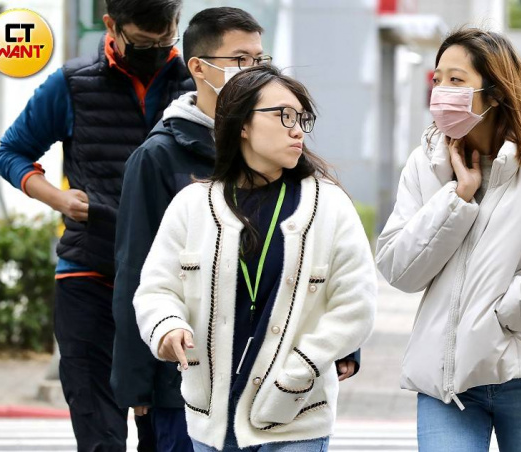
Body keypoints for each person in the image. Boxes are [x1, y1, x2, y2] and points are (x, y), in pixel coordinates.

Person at [113, 10, 362, 450]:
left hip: (295, 412)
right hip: (207, 409)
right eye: (283, 116)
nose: (296, 130)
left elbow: (352, 299)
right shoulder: (185, 191)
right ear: (242, 125)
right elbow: (146, 280)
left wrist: (305, 368)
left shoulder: (327, 203)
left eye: (300, 119)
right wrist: (164, 332)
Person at [375, 28, 521, 452]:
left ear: (495, 91)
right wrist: (457, 197)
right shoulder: (427, 161)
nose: (441, 91)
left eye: (457, 80)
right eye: (438, 79)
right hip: (447, 384)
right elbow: (398, 269)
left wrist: (498, 314)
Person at [0, 0, 193, 449]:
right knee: (99, 433)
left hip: (169, 287)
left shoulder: (195, 83)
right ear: (111, 25)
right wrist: (58, 197)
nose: (156, 52)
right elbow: (11, 152)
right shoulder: (72, 84)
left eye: (166, 41)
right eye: (143, 44)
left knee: (163, 433)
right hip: (90, 274)